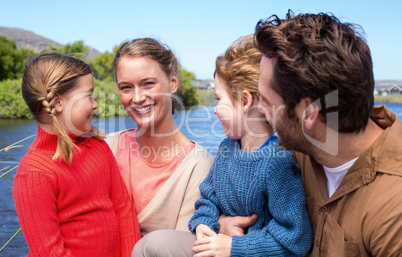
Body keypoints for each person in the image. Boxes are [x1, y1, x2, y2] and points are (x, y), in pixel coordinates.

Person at [132, 35, 313, 257]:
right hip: (217, 246)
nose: (215, 109)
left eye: (219, 99)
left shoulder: (277, 164)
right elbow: (208, 198)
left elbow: (296, 240)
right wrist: (204, 226)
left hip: (243, 252)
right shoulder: (228, 148)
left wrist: (233, 248)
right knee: (148, 246)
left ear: (245, 101)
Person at [254, 11, 402, 256]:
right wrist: (224, 221)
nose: (258, 109)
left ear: (309, 113)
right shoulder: (301, 147)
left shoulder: (393, 208)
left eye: (268, 102)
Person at [13, 53, 141, 256]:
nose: (95, 104)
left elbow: (123, 210)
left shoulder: (97, 147)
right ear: (58, 103)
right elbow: (49, 252)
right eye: (88, 96)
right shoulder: (34, 174)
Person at [106, 38, 213, 237]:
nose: (137, 98)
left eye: (148, 84)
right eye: (126, 87)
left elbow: (181, 248)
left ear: (172, 83)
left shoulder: (198, 166)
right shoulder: (106, 147)